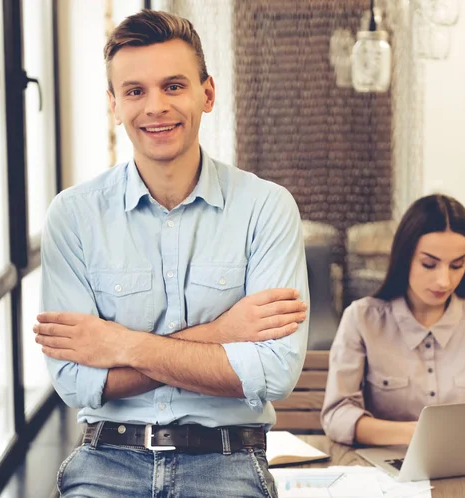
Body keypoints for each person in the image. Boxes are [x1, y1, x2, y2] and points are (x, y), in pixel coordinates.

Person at [33, 10, 309, 498]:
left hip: (227, 462)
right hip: (105, 461)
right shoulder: (72, 216)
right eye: (135, 91)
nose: (155, 107)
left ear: (207, 93)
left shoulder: (267, 208)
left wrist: (120, 345)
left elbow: (274, 371)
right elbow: (77, 381)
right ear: (114, 105)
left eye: (173, 86)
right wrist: (222, 336)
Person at [321, 194, 465, 447]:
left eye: (457, 265)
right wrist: (420, 435)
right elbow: (337, 415)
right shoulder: (361, 318)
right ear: (404, 258)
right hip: (386, 470)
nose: (444, 281)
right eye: (429, 264)